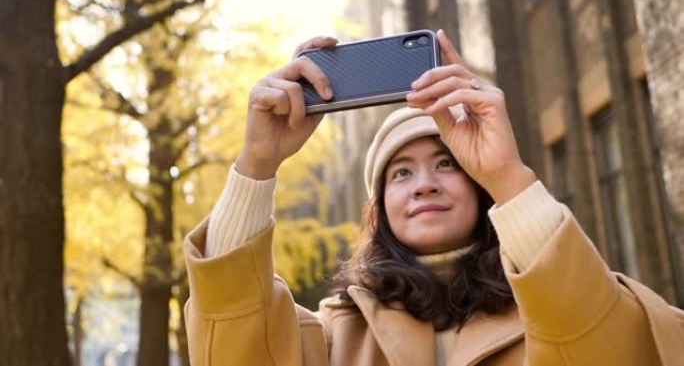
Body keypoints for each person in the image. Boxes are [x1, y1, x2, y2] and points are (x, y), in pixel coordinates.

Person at [182, 30, 684, 365]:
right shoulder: (335, 337)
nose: (424, 183)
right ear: (378, 209)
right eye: (400, 173)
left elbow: (615, 348)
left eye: (447, 163)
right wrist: (256, 164)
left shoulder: (566, 304)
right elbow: (234, 341)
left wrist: (507, 175)